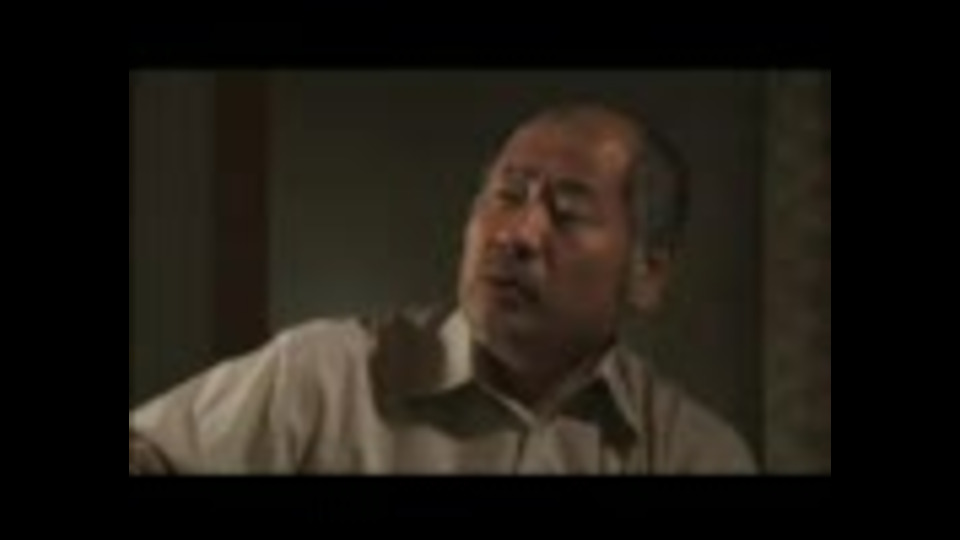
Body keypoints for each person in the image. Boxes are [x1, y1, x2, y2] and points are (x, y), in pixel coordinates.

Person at [129, 103, 757, 474]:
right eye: (507, 196)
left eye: (567, 212)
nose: (517, 233)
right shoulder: (322, 378)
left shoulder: (691, 453)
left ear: (647, 273)